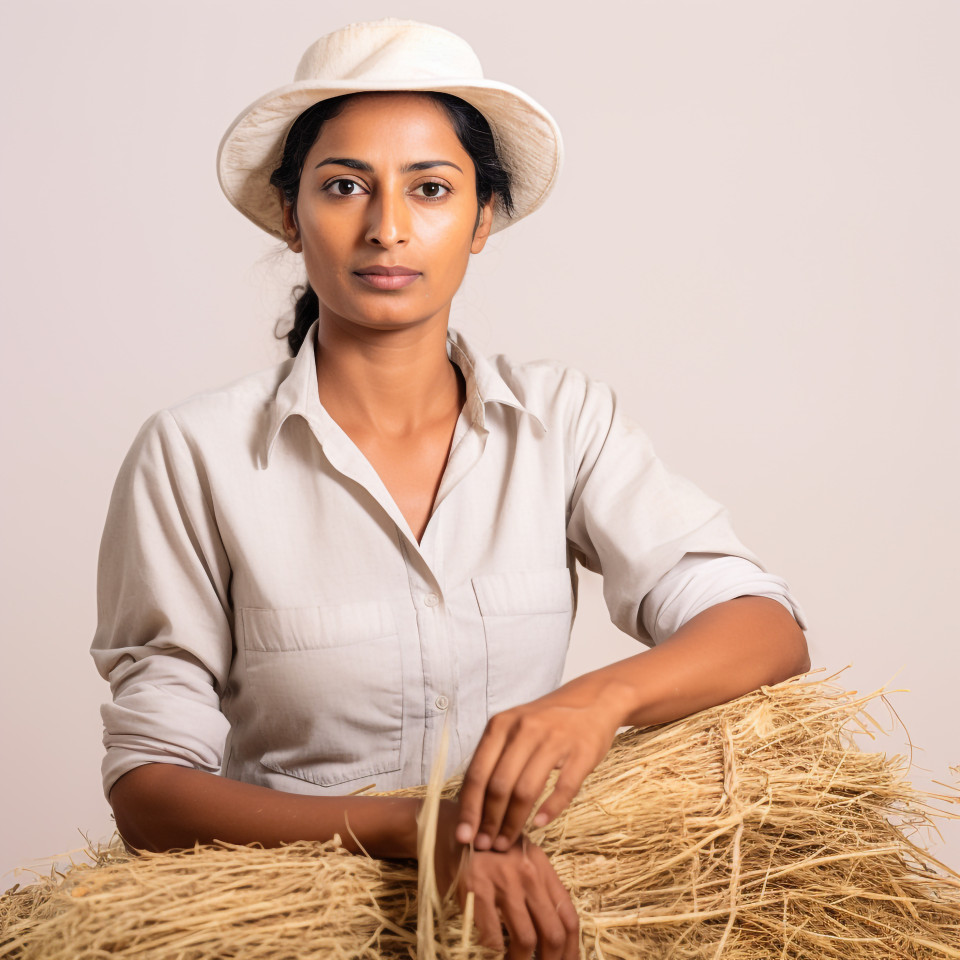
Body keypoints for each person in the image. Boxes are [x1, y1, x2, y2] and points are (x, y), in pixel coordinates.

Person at [90, 18, 810, 960]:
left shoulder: (563, 419)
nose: (388, 226)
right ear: (288, 213)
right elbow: (149, 787)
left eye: (431, 189)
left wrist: (596, 701)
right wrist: (409, 830)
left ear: (481, 221)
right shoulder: (192, 453)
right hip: (291, 918)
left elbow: (765, 628)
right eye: (344, 186)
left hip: (526, 909)